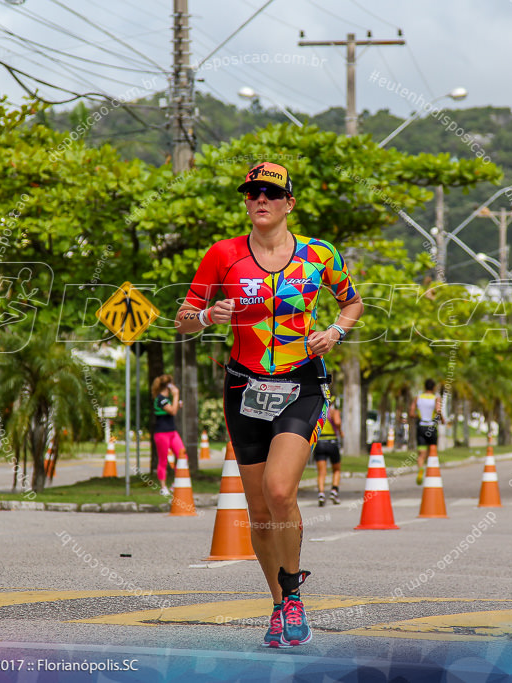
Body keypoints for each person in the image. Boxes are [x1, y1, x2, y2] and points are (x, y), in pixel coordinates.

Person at [175, 162, 364, 647]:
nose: (261, 199)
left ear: (289, 204)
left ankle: (294, 590)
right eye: (253, 192)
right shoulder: (223, 255)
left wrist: (335, 332)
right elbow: (183, 319)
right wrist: (206, 315)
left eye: (271, 193)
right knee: (259, 513)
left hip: (301, 383)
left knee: (281, 491)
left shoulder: (319, 255)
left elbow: (352, 303)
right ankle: (279, 606)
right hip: (243, 389)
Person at [151, 374, 184, 496]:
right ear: (169, 386)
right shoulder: (160, 399)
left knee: (182, 455)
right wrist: (176, 395)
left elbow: (173, 409)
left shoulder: (167, 399)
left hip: (172, 432)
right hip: (162, 434)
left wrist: (176, 403)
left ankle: (176, 483)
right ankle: (163, 487)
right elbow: (172, 411)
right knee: (163, 461)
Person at [411, 379, 443, 485]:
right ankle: (431, 473)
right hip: (431, 427)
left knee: (421, 453)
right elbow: (438, 410)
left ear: (424, 387)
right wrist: (442, 419)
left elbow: (411, 413)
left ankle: (420, 468)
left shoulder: (418, 398)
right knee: (432, 451)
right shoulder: (436, 398)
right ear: (433, 388)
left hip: (421, 426)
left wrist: (419, 416)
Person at [313, 404, 342, 506]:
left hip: (319, 442)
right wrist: (340, 431)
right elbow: (337, 422)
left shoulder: (317, 412)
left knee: (321, 472)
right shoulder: (333, 411)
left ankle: (321, 493)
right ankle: (334, 491)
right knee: (337, 469)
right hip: (332, 442)